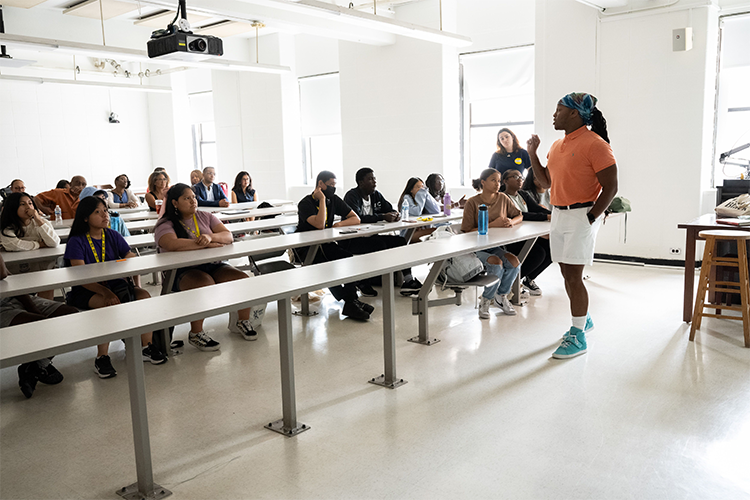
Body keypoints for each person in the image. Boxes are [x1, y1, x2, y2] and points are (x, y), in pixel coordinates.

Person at [527, 92, 618, 360]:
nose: (554, 115)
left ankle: (578, 336)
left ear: (574, 113)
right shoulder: (557, 145)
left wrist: (592, 216)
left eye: (558, 110)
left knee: (574, 277)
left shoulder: (596, 144)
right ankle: (584, 320)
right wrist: (532, 153)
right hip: (559, 213)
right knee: (566, 274)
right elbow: (545, 182)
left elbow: (611, 186)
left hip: (582, 214)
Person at [64, 197, 167, 378]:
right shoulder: (77, 241)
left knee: (143, 296)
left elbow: (130, 257)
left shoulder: (111, 235)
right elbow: (81, 277)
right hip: (88, 289)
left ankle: (146, 346)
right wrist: (105, 291)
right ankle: (102, 357)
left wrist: (133, 282)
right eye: (98, 212)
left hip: (117, 284)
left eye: (105, 210)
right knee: (109, 304)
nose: (105, 215)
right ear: (85, 217)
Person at [154, 184, 257, 349]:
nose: (193, 201)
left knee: (243, 279)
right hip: (182, 271)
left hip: (212, 265)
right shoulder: (166, 223)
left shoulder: (205, 216)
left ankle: (242, 321)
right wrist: (205, 245)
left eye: (193, 197)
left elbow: (228, 236)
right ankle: (196, 333)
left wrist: (209, 237)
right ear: (175, 203)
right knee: (204, 285)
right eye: (187, 198)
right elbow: (171, 243)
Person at [296, 171, 372, 321]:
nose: (333, 188)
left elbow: (355, 218)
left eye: (334, 185)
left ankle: (351, 301)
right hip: (306, 249)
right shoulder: (305, 203)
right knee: (328, 265)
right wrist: (322, 199)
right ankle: (351, 301)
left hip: (324, 244)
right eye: (330, 185)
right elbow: (319, 225)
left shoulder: (333, 199)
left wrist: (338, 224)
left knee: (348, 258)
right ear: (320, 184)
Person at [0, 254, 78, 399]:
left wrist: (32, 307)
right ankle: (40, 366)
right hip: (1, 308)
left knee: (71, 314)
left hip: (13, 296)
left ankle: (35, 366)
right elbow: (1, 272)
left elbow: (8, 278)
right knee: (41, 324)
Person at [342, 167, 423, 296]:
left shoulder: (376, 195)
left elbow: (388, 208)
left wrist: (395, 214)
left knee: (400, 241)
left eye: (374, 178)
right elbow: (357, 218)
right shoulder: (351, 196)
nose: (374, 182)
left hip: (370, 235)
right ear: (360, 182)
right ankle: (364, 282)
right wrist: (382, 217)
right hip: (353, 239)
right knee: (379, 245)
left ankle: (408, 280)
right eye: (370, 179)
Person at [461, 169, 523, 319]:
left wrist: (511, 222)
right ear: (483, 182)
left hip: (495, 246)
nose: (497, 184)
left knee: (514, 262)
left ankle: (501, 296)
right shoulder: (472, 202)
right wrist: (493, 224)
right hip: (475, 248)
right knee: (496, 263)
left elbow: (519, 215)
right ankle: (486, 299)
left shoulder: (502, 198)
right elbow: (466, 231)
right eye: (493, 180)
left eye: (499, 181)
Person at [0, 192, 61, 299]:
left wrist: (38, 219)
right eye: (22, 204)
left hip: (41, 267)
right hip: (16, 271)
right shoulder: (6, 227)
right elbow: (14, 245)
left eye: (30, 203)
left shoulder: (41, 222)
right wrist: (40, 244)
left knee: (48, 280)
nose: (28, 207)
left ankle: (47, 308)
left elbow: (54, 242)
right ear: (13, 207)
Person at [501, 169, 552, 296]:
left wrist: (554, 214)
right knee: (538, 253)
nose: (520, 179)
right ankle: (510, 282)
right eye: (515, 177)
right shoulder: (502, 197)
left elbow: (536, 209)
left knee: (553, 248)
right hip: (512, 237)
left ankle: (529, 279)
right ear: (505, 181)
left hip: (527, 233)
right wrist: (545, 217)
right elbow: (521, 215)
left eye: (521, 177)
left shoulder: (523, 195)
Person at [397, 177, 439, 242]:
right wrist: (422, 194)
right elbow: (417, 212)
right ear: (411, 190)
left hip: (420, 229)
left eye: (423, 187)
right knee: (436, 232)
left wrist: (427, 194)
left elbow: (436, 210)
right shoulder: (406, 198)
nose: (421, 190)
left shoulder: (422, 198)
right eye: (419, 187)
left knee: (439, 231)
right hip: (408, 233)